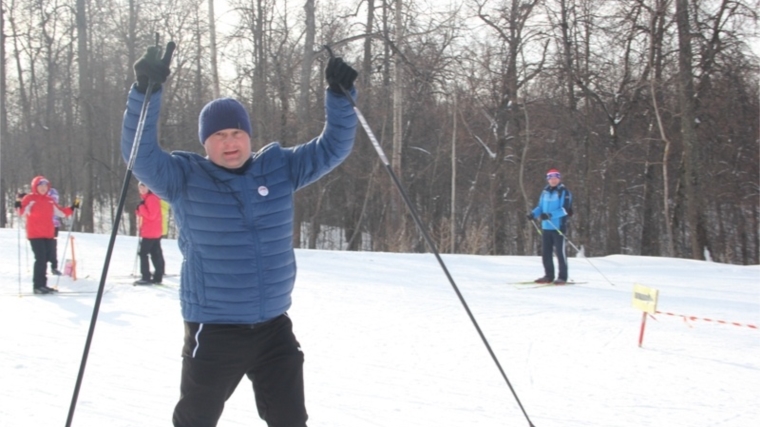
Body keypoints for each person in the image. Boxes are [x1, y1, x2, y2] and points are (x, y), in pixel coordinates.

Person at [121, 43, 358, 427]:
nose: (229, 142)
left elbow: (334, 147)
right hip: (214, 329)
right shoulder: (184, 178)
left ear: (248, 135)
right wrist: (145, 93)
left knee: (291, 420)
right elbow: (140, 155)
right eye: (218, 136)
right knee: (195, 420)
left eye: (236, 132)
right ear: (205, 143)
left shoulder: (280, 168)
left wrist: (340, 98)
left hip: (273, 327)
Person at [15, 176, 78, 294]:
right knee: (40, 259)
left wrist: (73, 207)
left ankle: (43, 285)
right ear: (35, 187)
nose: (43, 188)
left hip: (48, 234)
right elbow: (21, 212)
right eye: (41, 186)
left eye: (45, 186)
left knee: (46, 259)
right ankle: (37, 286)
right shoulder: (30, 198)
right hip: (35, 234)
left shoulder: (49, 200)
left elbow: (61, 212)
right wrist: (18, 202)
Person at [527, 168, 573, 285]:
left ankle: (562, 277)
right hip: (546, 227)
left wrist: (550, 215)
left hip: (558, 226)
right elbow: (540, 207)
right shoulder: (545, 192)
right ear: (548, 180)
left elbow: (565, 210)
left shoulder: (564, 192)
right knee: (546, 253)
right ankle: (548, 276)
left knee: (560, 253)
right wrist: (533, 214)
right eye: (550, 178)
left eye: (555, 178)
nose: (553, 180)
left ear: (559, 179)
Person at [134, 182, 165, 285]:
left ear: (149, 188)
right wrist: (140, 208)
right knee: (155, 254)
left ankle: (146, 276)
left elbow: (151, 215)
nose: (142, 190)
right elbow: (141, 213)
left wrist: (141, 208)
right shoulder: (147, 198)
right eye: (140, 188)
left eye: (144, 188)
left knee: (143, 253)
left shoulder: (151, 198)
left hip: (150, 232)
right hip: (152, 231)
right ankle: (157, 277)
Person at [47, 187, 63, 275]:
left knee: (53, 247)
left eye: (56, 199)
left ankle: (54, 267)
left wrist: (76, 203)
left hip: (54, 226)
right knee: (46, 248)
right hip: (45, 227)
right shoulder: (44, 205)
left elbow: (65, 211)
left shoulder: (57, 207)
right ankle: (47, 266)